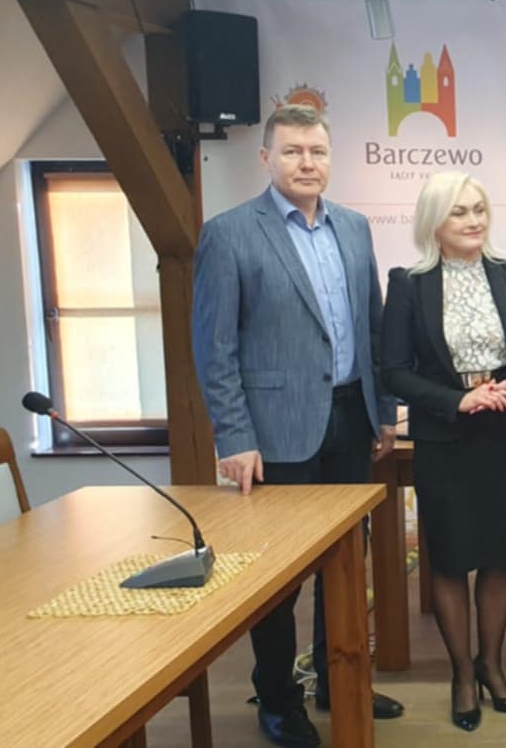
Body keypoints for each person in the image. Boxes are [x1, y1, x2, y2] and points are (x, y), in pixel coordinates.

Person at [191, 104, 403, 748]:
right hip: (273, 432)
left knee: (345, 564)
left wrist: (383, 411)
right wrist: (234, 437)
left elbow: (373, 327)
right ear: (267, 158)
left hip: (350, 418)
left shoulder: (355, 228)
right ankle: (279, 699)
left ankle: (340, 679)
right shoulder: (229, 234)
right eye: (292, 151)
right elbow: (215, 348)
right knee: (279, 579)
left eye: (317, 151)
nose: (307, 163)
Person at [379, 171, 506, 732]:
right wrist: (458, 400)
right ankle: (461, 675)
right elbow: (394, 371)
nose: (474, 220)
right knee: (451, 558)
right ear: (435, 221)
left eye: (479, 209)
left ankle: (492, 667)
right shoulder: (409, 283)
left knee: (500, 555)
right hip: (445, 436)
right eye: (459, 211)